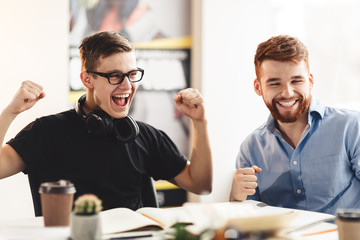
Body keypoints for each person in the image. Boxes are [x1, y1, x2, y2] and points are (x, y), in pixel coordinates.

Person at [0, 31, 212, 216]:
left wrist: (199, 122)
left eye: (132, 74)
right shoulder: (46, 131)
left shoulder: (145, 136)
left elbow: (201, 184)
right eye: (115, 76)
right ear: (87, 80)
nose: (127, 85)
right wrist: (10, 112)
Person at [229, 35, 360, 215]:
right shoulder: (251, 148)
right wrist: (236, 200)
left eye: (296, 81)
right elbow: (246, 221)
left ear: (310, 82)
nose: (287, 93)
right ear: (258, 87)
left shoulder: (351, 127)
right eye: (274, 83)